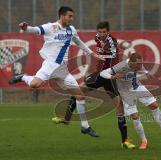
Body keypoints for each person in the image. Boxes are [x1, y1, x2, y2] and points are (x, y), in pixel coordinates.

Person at [8, 6, 103, 137]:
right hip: (50, 65)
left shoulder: (71, 30)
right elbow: (35, 30)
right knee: (34, 85)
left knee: (80, 96)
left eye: (72, 16)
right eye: (69, 16)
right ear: (62, 16)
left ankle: (85, 127)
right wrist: (25, 27)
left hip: (63, 70)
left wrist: (92, 53)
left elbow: (79, 42)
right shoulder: (50, 27)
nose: (71, 18)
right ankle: (23, 77)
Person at [52, 21, 135, 149]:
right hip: (98, 75)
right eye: (100, 32)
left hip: (109, 76)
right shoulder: (96, 38)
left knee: (120, 108)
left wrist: (114, 70)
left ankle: (125, 141)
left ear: (108, 32)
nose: (101, 34)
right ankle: (66, 117)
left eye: (104, 32)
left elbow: (114, 59)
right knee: (78, 92)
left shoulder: (112, 42)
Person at [100, 53, 161, 149]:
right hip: (126, 93)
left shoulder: (138, 64)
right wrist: (111, 77)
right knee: (135, 116)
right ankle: (144, 141)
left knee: (154, 105)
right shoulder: (120, 66)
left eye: (141, 63)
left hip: (137, 87)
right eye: (138, 64)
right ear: (131, 62)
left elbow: (142, 69)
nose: (140, 65)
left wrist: (147, 73)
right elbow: (103, 73)